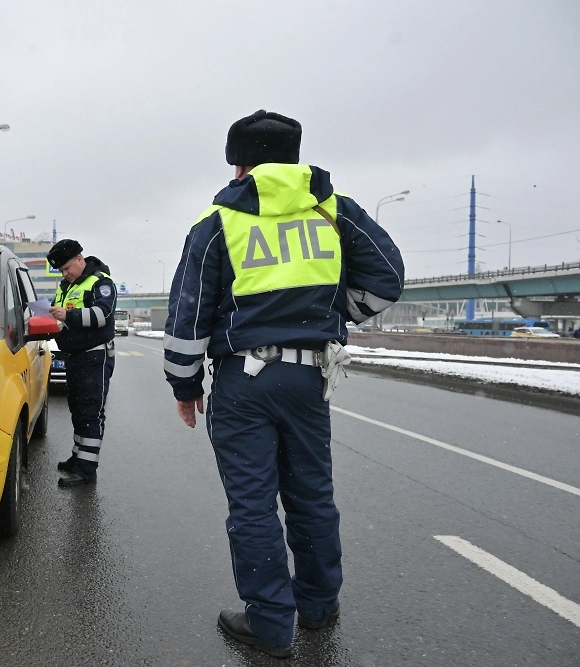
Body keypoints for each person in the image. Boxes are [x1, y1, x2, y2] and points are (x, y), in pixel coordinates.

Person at [164, 110, 404, 658]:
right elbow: (388, 278)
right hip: (308, 375)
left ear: (239, 162)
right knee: (311, 493)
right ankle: (318, 607)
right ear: (293, 157)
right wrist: (331, 316)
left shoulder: (217, 220)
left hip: (242, 381)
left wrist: (184, 385)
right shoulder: (333, 208)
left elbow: (189, 312)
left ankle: (271, 624)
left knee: (252, 505)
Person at [47, 239, 117, 487]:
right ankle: (78, 458)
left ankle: (87, 470)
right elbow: (60, 315)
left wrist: (68, 315)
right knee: (77, 410)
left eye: (67, 267)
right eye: (61, 271)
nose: (65, 273)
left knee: (90, 412)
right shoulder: (66, 286)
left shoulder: (100, 282)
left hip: (95, 356)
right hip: (75, 357)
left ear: (80, 258)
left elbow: (102, 315)